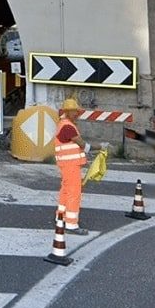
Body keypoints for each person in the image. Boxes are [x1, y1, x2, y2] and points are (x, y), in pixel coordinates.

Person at [53, 97, 89, 235]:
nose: (77, 114)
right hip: (70, 165)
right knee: (74, 193)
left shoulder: (64, 124)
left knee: (66, 191)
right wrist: (95, 147)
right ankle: (71, 224)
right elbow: (80, 142)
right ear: (67, 112)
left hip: (67, 165)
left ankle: (60, 217)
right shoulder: (67, 126)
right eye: (74, 111)